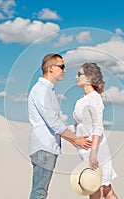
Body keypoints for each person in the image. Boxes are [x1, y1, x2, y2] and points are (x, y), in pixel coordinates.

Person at [27, 53, 92, 199]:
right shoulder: (41, 90)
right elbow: (52, 121)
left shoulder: (47, 90)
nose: (64, 70)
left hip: (47, 148)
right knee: (39, 192)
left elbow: (54, 121)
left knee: (41, 191)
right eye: (62, 66)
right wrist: (75, 139)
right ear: (51, 68)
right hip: (44, 148)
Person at [72, 63, 118, 199]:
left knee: (98, 188)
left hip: (97, 151)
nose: (76, 77)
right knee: (106, 190)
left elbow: (98, 127)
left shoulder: (95, 98)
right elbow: (77, 126)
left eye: (79, 74)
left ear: (89, 78)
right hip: (85, 151)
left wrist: (93, 153)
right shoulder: (80, 101)